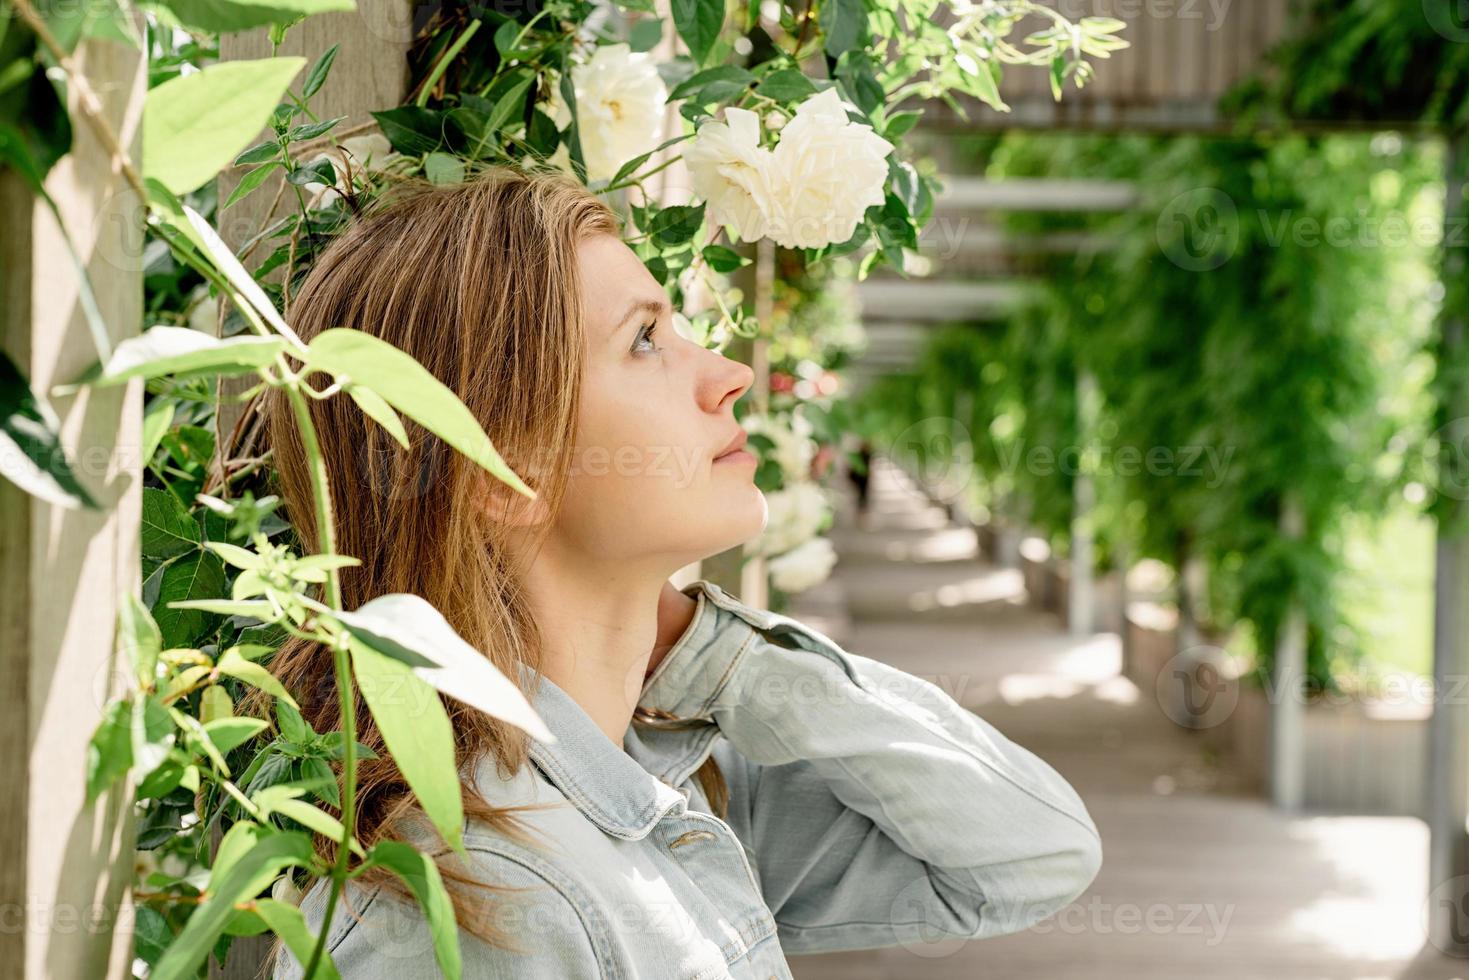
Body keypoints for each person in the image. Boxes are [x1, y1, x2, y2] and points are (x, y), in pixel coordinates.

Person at [257, 164, 1102, 979]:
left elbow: (1028, 854)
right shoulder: (490, 906)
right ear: (497, 471)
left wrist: (715, 654)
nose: (730, 376)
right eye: (646, 340)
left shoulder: (659, 775)